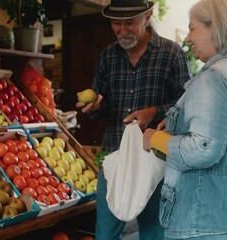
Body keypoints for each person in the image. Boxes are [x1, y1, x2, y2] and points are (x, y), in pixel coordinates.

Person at [143, 0, 227, 239]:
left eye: (193, 28)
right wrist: (178, 124)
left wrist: (156, 139)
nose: (188, 38)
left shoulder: (213, 78)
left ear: (216, 29)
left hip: (202, 218)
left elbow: (204, 148)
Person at [76, 0, 192, 239]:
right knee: (106, 234)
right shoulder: (107, 56)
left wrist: (155, 112)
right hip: (113, 158)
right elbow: (101, 105)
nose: (122, 29)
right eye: (116, 23)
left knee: (153, 233)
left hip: (154, 161)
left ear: (147, 17)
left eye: (129, 22)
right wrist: (95, 107)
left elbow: (186, 106)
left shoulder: (172, 54)